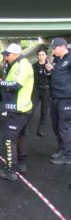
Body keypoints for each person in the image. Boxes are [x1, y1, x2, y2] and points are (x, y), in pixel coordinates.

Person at [0, 43, 34, 181]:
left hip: (18, 109)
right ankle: (21, 164)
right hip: (22, 108)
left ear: (15, 54)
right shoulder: (18, 64)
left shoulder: (22, 65)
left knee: (9, 139)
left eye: (7, 55)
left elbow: (16, 84)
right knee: (20, 137)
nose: (5, 57)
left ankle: (11, 170)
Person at [45, 37, 71, 165]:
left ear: (62, 47)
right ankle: (62, 150)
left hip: (66, 98)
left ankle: (68, 155)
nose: (53, 51)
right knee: (56, 126)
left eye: (54, 48)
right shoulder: (56, 59)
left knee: (64, 127)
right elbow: (53, 77)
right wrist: (49, 71)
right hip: (54, 96)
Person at [30, 49, 52, 137]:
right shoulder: (34, 66)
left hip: (46, 91)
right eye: (39, 54)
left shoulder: (50, 66)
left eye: (43, 54)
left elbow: (52, 78)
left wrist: (50, 71)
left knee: (44, 111)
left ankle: (40, 129)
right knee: (31, 110)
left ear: (46, 56)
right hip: (36, 90)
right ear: (37, 56)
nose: (41, 56)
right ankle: (25, 127)